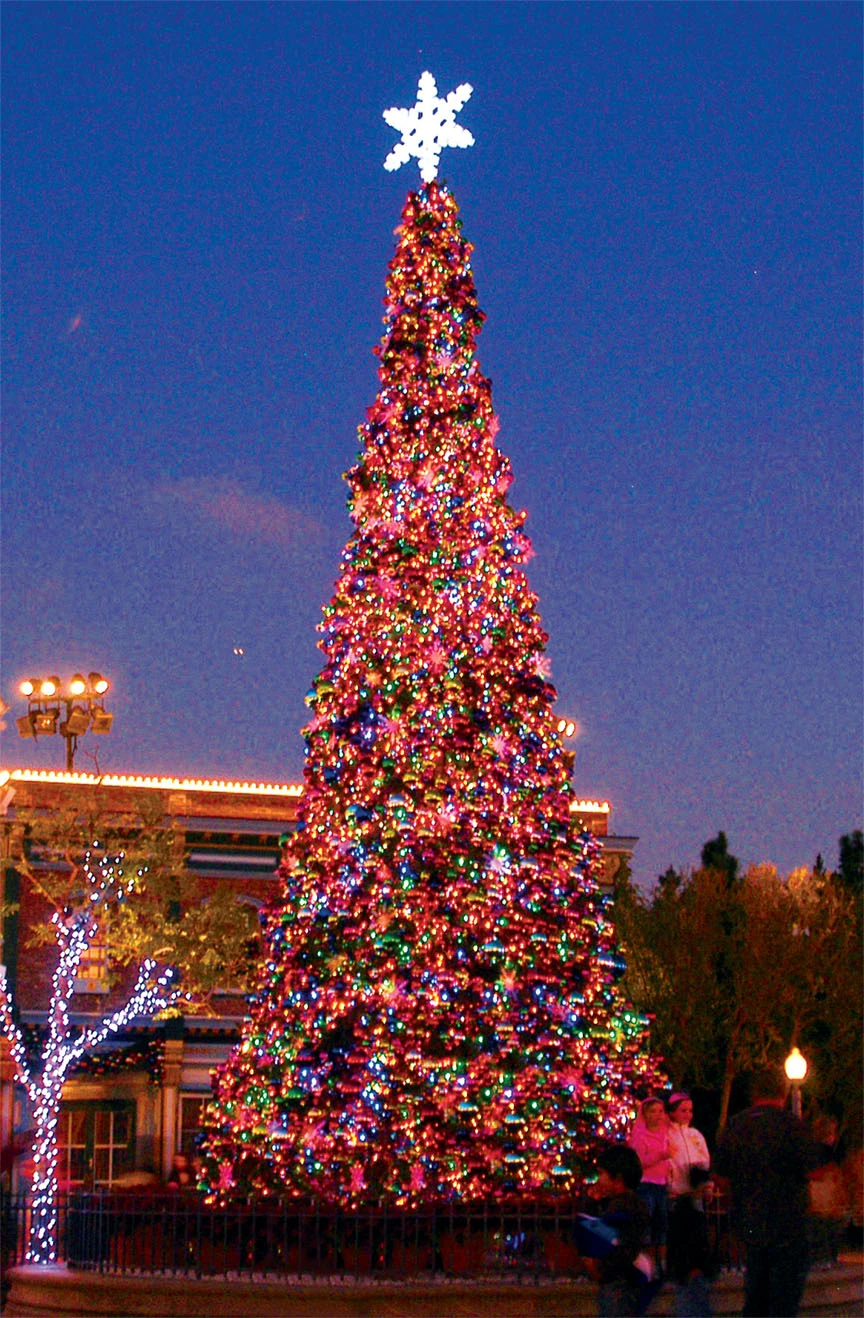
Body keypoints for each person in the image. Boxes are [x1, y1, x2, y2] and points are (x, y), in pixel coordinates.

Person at [714, 1065, 813, 1317]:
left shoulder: (736, 1125)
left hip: (750, 1223)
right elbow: (813, 1170)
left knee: (756, 1294)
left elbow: (720, 1174)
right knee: (784, 1299)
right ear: (782, 1091)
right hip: (788, 1224)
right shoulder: (792, 1126)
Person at [583, 1143, 653, 1316]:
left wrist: (598, 1268)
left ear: (617, 1177)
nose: (599, 1180)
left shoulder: (621, 1207)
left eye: (602, 1174)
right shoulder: (630, 1204)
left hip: (618, 1284)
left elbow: (606, 1242)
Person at [627, 1097, 670, 1274]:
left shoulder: (665, 1134)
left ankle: (663, 1264)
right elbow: (639, 1161)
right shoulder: (639, 1136)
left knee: (662, 1225)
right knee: (647, 1223)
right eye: (653, 1111)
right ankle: (646, 1264)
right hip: (647, 1185)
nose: (658, 1116)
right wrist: (660, 1156)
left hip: (662, 1184)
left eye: (660, 1111)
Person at [667, 1166, 715, 1317]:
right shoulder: (688, 1211)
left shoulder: (686, 1208)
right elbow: (688, 1242)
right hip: (691, 1271)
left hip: (690, 1271)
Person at [666, 1092, 710, 1200]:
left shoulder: (695, 1134)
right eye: (683, 1111)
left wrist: (707, 1185)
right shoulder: (666, 1135)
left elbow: (704, 1161)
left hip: (696, 1193)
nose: (687, 1114)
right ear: (672, 1112)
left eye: (690, 1111)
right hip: (674, 1194)